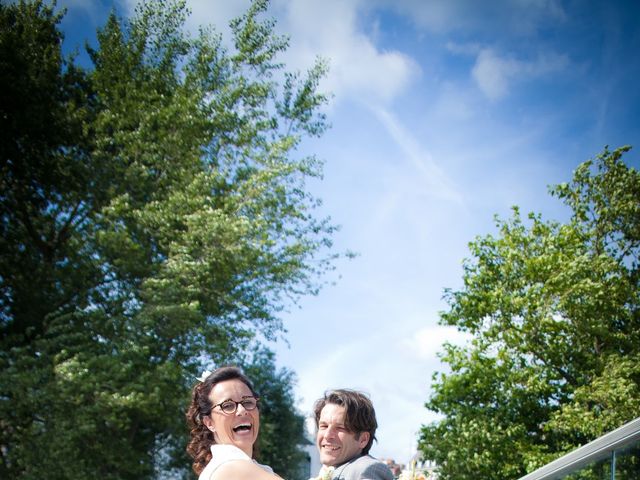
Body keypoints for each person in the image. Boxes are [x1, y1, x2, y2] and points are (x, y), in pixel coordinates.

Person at [186, 366, 282, 480]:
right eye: (227, 405)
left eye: (247, 402)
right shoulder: (229, 468)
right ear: (209, 422)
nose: (242, 411)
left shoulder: (249, 468)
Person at [312, 389, 394, 480]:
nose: (327, 435)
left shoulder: (367, 470)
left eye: (340, 428)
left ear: (363, 439)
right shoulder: (330, 471)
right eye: (324, 426)